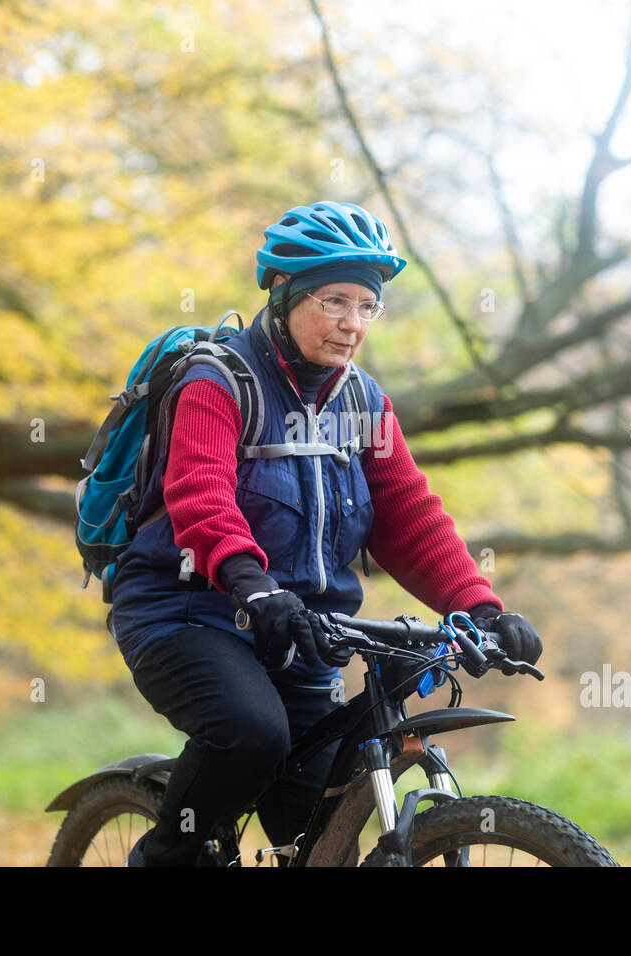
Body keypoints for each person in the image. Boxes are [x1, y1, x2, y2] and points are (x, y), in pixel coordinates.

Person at [109, 200, 543, 866]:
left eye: (368, 306)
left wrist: (480, 605)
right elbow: (201, 499)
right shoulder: (218, 382)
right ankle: (164, 855)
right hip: (186, 611)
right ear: (282, 294)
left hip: (305, 630)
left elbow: (409, 513)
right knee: (251, 734)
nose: (353, 324)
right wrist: (252, 586)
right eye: (335, 301)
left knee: (315, 835)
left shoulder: (362, 401)